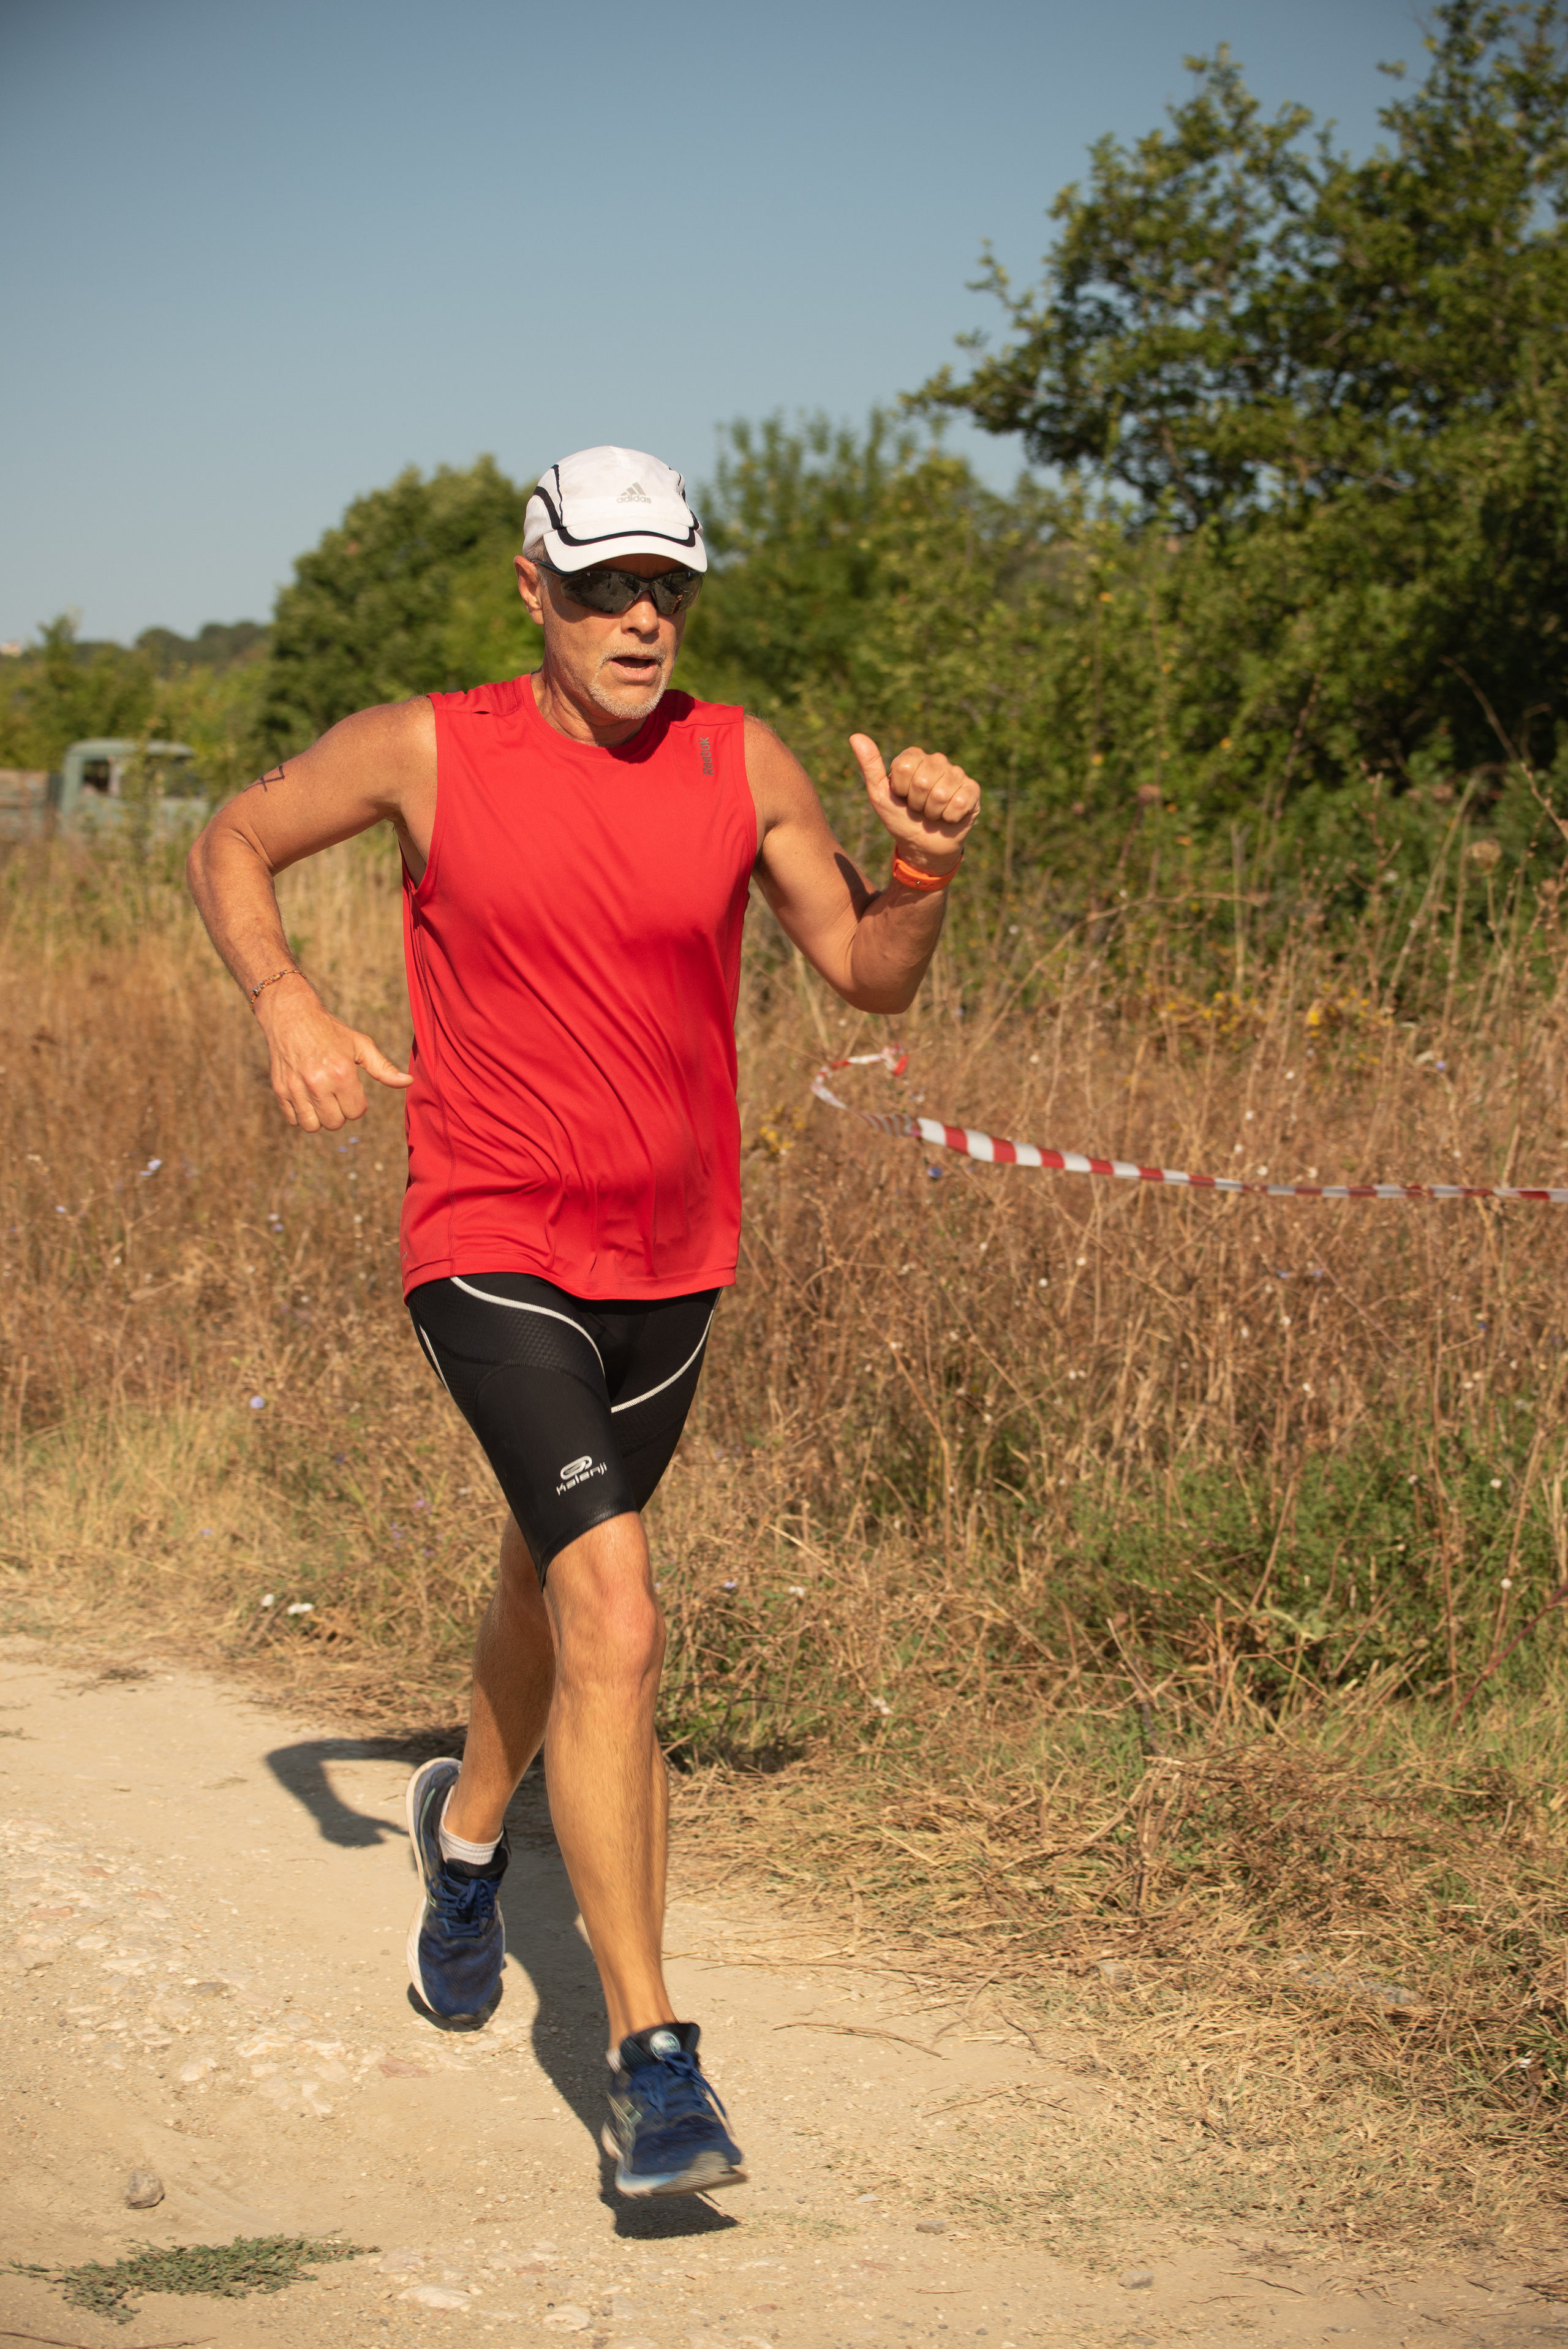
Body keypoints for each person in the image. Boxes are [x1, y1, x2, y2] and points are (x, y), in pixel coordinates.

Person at [187, 444, 980, 2199]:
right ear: (531, 586)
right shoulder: (428, 745)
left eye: (670, 584)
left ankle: (465, 1840)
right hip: (487, 1235)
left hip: (677, 1259)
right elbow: (232, 833)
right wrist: (285, 1000)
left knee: (556, 1574)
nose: (643, 615)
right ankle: (656, 2063)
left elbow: (859, 972)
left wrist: (919, 875)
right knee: (614, 1600)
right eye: (609, 581)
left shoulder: (738, 756)